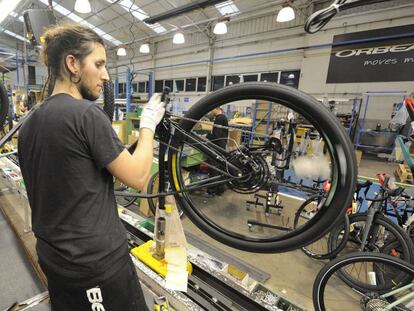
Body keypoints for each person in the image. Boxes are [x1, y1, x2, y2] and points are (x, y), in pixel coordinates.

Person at [18, 23, 165, 311]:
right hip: (95, 267)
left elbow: (72, 180)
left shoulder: (30, 124)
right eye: (98, 64)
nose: (105, 75)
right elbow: (138, 176)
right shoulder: (87, 115)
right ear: (72, 63)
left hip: (54, 259)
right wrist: (147, 127)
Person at [206, 107, 228, 196]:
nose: (211, 111)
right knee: (220, 169)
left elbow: (216, 135)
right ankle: (220, 190)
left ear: (216, 109)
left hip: (217, 147)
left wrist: (206, 136)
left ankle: (211, 191)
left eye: (212, 110)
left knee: (213, 169)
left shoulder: (219, 119)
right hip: (222, 146)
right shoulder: (224, 118)